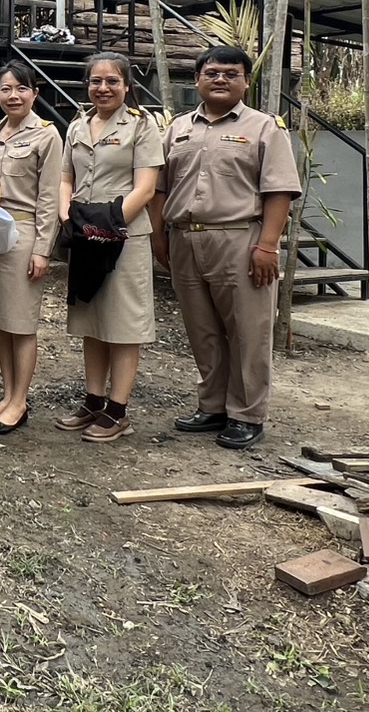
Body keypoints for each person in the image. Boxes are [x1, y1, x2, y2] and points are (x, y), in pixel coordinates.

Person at [151, 46, 301, 451]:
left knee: (248, 331)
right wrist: (159, 236)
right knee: (203, 330)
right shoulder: (178, 128)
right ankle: (213, 406)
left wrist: (268, 246)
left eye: (231, 74)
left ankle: (247, 414)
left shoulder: (265, 128)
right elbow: (159, 187)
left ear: (246, 82)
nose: (220, 79)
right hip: (184, 239)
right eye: (212, 72)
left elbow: (281, 190)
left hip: (240, 239)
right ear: (197, 80)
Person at [55, 51, 163, 443]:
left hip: (124, 237)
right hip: (84, 235)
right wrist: (68, 215)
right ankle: (93, 400)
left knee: (123, 324)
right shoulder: (77, 125)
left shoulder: (142, 126)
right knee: (92, 321)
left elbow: (146, 187)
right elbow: (65, 176)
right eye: (96, 81)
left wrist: (110, 222)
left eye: (112, 81)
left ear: (127, 86)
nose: (103, 88)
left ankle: (118, 411)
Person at [0, 61, 64, 437]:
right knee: (2, 321)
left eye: (22, 89)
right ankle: (7, 395)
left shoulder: (46, 135)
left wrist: (42, 250)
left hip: (24, 234)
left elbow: (48, 198)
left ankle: (20, 402)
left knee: (22, 323)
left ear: (35, 94)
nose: (14, 96)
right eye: (6, 89)